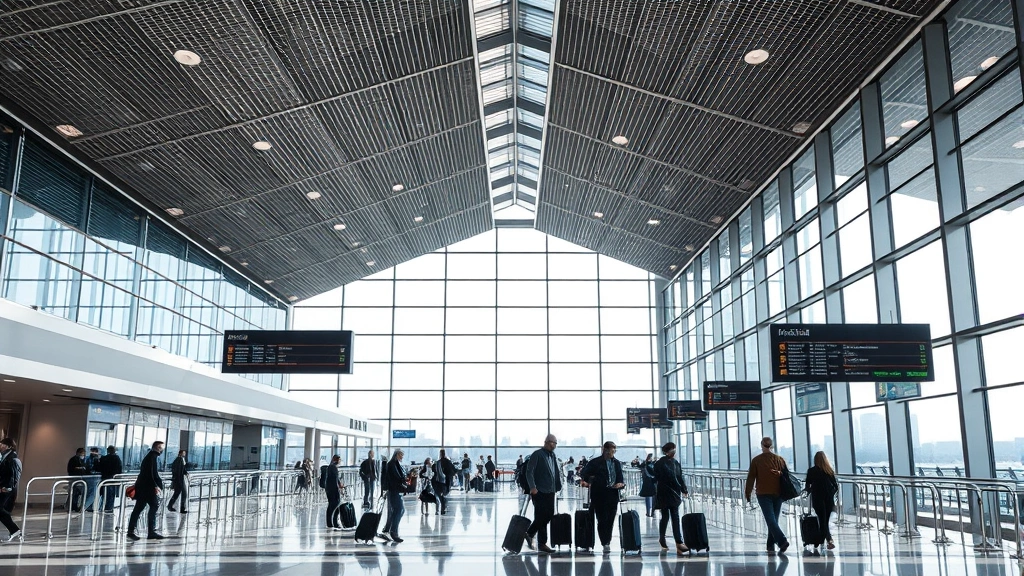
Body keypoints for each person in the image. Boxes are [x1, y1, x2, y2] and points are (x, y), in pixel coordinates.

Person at [745, 437, 790, 554]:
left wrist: (747, 493)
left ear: (762, 445)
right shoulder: (780, 460)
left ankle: (782, 540)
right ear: (772, 446)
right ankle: (770, 544)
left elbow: (751, 478)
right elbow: (786, 475)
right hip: (778, 493)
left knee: (770, 519)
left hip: (763, 493)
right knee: (773, 519)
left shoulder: (756, 460)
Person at [579, 441, 625, 554]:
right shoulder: (595, 463)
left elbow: (621, 479)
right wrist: (592, 479)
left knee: (610, 519)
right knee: (602, 519)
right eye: (611, 451)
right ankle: (605, 542)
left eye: (614, 451)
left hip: (613, 495)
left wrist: (620, 484)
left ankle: (607, 541)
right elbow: (584, 474)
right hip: (599, 495)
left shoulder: (617, 463)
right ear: (605, 450)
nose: (612, 453)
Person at [524, 434, 562, 554]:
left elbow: (555, 471)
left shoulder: (552, 455)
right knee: (541, 516)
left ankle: (531, 535)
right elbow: (529, 471)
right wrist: (532, 487)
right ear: (547, 442)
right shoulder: (538, 454)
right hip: (539, 491)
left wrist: (557, 486)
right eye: (553, 443)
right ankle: (540, 542)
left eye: (556, 443)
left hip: (550, 491)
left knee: (548, 515)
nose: (555, 445)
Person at [653, 442, 688, 555]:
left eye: (674, 449)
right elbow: (661, 476)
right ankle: (664, 538)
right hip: (665, 492)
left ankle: (678, 542)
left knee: (674, 516)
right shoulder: (660, 463)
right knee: (666, 516)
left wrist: (684, 489)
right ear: (667, 451)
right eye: (672, 450)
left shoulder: (676, 463)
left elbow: (679, 476)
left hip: (674, 493)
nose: (674, 452)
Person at [127, 441, 165, 541]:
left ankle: (131, 531)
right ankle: (150, 532)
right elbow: (152, 474)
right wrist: (156, 485)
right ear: (158, 447)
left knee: (139, 508)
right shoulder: (152, 457)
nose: (163, 450)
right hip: (147, 488)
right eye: (162, 448)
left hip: (143, 487)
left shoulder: (150, 456)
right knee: (153, 506)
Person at [805, 451, 839, 551]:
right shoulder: (829, 471)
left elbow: (808, 486)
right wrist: (830, 494)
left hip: (817, 498)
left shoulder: (811, 471)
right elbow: (836, 487)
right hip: (828, 499)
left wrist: (812, 490)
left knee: (822, 520)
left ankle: (819, 540)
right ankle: (828, 540)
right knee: (825, 521)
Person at [379, 449, 413, 543]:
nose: (402, 457)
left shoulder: (395, 464)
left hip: (396, 490)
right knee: (399, 510)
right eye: (401, 455)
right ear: (397, 454)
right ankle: (393, 532)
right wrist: (405, 479)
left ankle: (391, 530)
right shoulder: (392, 464)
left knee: (399, 510)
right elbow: (397, 478)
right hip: (394, 490)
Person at [0, 438, 22, 542]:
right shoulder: (4, 456)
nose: (1, 445)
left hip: (6, 489)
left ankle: (14, 530)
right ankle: (14, 530)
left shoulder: (13, 458)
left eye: (3, 444)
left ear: (9, 446)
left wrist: (7, 487)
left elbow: (13, 476)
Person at [98, 446, 123, 513]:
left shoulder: (104, 458)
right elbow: (119, 469)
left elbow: (100, 468)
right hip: (112, 478)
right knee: (111, 494)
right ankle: (109, 508)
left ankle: (103, 507)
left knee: (105, 493)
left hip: (105, 478)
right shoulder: (116, 458)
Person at [433, 449, 456, 515]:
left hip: (439, 480)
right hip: (447, 480)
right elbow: (453, 470)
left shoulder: (438, 462)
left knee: (440, 494)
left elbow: (435, 471)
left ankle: (442, 506)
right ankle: (443, 506)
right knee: (444, 493)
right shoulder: (448, 461)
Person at [324, 455, 343, 531]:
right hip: (332, 489)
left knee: (332, 504)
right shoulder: (333, 467)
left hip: (329, 488)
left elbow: (336, 478)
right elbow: (335, 479)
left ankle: (331, 522)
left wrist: (339, 484)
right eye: (339, 460)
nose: (340, 461)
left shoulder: (331, 467)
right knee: (335, 504)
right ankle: (333, 522)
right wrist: (338, 487)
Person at [82, 447, 101, 512]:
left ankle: (89, 507)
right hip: (91, 477)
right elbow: (90, 468)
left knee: (89, 493)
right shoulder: (90, 459)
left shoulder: (91, 458)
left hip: (91, 477)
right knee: (92, 493)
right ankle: (85, 507)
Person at [638, 453, 657, 517]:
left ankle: (648, 512)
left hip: (647, 482)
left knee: (648, 497)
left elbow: (640, 466)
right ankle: (652, 512)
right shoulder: (654, 464)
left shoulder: (645, 464)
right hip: (653, 482)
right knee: (654, 497)